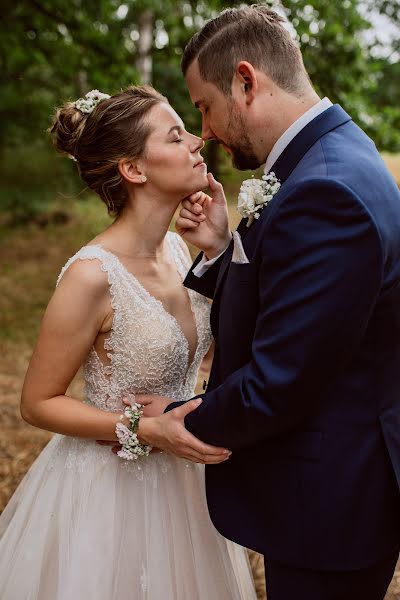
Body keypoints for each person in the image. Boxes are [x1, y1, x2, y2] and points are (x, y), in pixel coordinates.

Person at [129, 6, 400, 600]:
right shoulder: (333, 155)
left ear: (246, 82)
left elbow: (282, 380)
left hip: (331, 504)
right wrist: (227, 248)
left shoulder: (324, 189)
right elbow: (300, 302)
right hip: (338, 486)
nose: (204, 131)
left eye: (203, 106)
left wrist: (169, 422)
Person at [0, 85, 256, 600]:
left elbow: (225, 348)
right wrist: (143, 427)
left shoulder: (181, 250)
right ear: (134, 170)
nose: (196, 143)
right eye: (176, 135)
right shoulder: (92, 276)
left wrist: (220, 250)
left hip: (184, 489)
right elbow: (37, 403)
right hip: (108, 495)